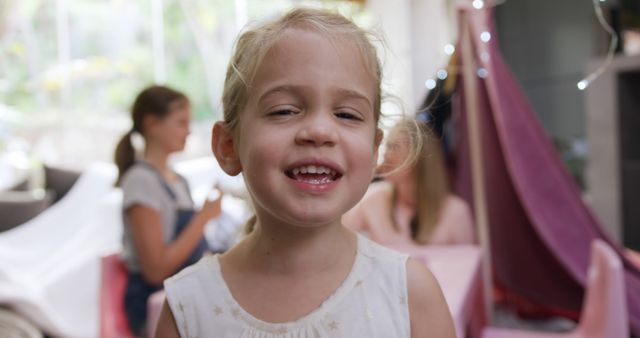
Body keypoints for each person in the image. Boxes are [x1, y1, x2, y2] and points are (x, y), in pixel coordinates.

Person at [155, 7, 455, 338]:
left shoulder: (411, 296)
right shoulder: (189, 307)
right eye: (284, 110)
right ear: (228, 146)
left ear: (373, 152)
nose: (319, 131)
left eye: (347, 114)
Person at [114, 85, 222, 335]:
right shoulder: (140, 181)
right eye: (181, 122)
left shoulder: (179, 180)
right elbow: (155, 270)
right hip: (156, 304)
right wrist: (204, 217)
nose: (188, 131)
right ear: (152, 123)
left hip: (185, 295)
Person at [343, 117, 475, 248]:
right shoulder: (372, 199)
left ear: (418, 158)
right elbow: (338, 237)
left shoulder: (456, 212)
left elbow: (469, 265)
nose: (386, 155)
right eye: (388, 147)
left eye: (394, 147)